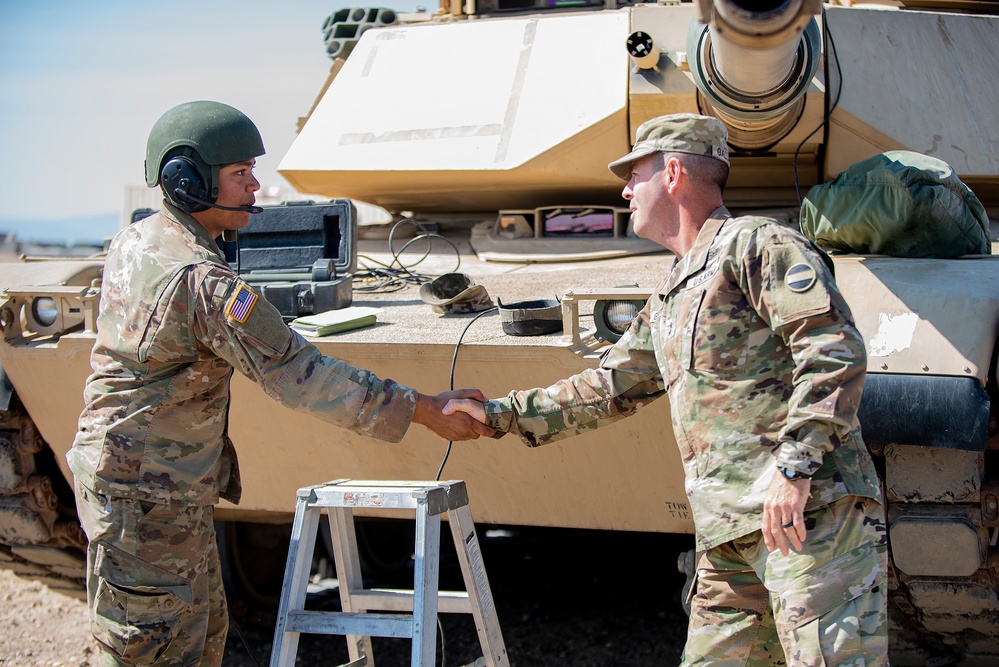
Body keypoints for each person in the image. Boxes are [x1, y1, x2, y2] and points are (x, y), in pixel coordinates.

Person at [444, 113, 888, 666]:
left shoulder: (756, 245)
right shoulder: (676, 291)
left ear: (673, 173)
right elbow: (610, 387)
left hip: (807, 517)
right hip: (727, 535)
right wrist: (501, 414)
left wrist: (795, 469)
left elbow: (832, 350)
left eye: (636, 174)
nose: (625, 189)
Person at [67, 100, 494, 666]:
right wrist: (423, 408)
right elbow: (302, 376)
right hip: (148, 497)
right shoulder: (203, 281)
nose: (255, 187)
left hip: (142, 487)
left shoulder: (139, 240)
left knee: (191, 638)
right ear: (187, 181)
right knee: (151, 650)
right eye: (240, 174)